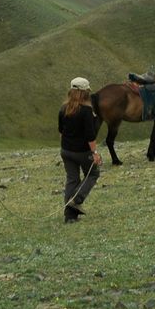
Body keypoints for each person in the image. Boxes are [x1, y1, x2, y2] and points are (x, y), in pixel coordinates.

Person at [58, 77, 102, 223]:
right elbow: (90, 135)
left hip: (66, 150)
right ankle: (76, 200)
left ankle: (69, 217)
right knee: (93, 174)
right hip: (82, 152)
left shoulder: (63, 108)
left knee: (72, 179)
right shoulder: (86, 111)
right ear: (85, 93)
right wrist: (95, 153)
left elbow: (61, 130)